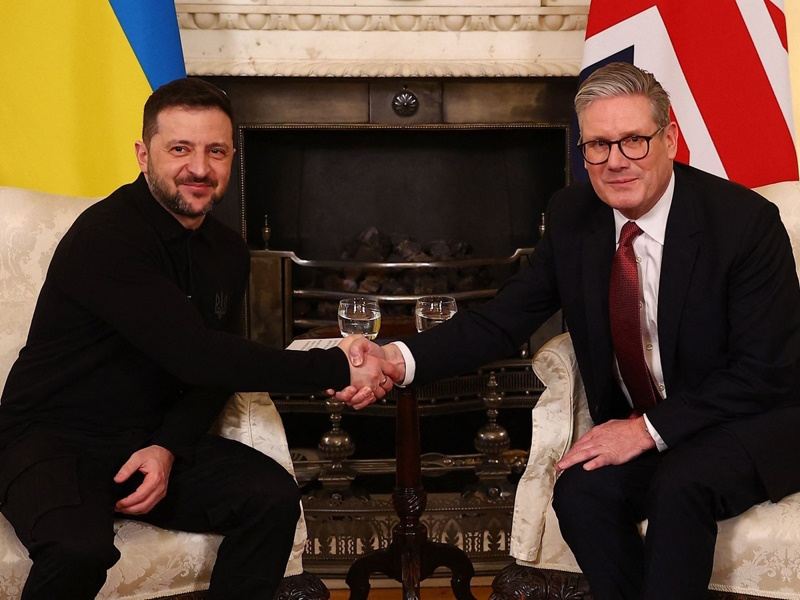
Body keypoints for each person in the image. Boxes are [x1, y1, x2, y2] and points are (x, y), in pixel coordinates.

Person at [344, 62, 800, 599]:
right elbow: (501, 319)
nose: (616, 161)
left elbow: (763, 373)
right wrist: (397, 358)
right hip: (654, 429)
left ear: (670, 139)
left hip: (751, 422)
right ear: (582, 151)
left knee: (681, 486)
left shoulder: (744, 223)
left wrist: (644, 430)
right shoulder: (573, 216)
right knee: (581, 494)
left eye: (634, 141)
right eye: (598, 145)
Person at [0, 77, 398, 600]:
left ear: (232, 157)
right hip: (49, 440)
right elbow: (198, 356)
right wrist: (338, 366)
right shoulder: (107, 237)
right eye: (180, 149)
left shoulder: (226, 251)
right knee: (79, 550)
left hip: (143, 440)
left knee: (271, 497)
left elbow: (215, 374)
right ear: (143, 155)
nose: (199, 168)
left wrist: (167, 447)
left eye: (216, 151)